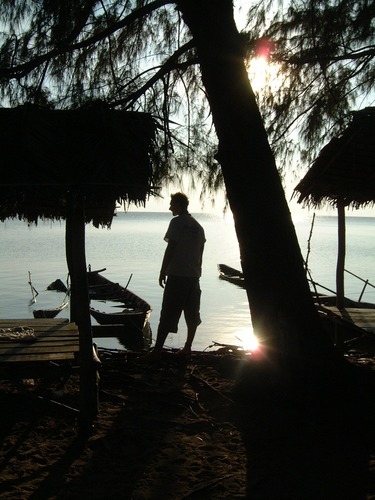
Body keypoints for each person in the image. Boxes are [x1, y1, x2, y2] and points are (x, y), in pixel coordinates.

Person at [144, 192, 205, 361]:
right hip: (193, 276)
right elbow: (201, 252)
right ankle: (187, 347)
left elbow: (170, 248)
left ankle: (157, 351)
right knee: (192, 313)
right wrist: (197, 273)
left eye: (172, 204)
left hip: (177, 275)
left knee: (168, 312)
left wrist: (163, 271)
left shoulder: (176, 222)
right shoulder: (198, 226)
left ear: (179, 205)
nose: (170, 207)